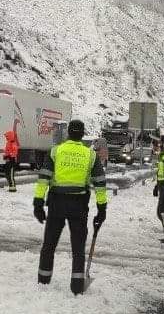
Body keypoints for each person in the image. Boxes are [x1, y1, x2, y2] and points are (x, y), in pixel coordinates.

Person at [33, 120, 108, 295]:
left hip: (56, 204)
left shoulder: (56, 151)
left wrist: (38, 202)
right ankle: (76, 287)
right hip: (78, 205)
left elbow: (44, 178)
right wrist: (101, 208)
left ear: (68, 133)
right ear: (82, 135)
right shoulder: (90, 155)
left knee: (49, 245)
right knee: (78, 248)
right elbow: (100, 183)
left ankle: (43, 281)